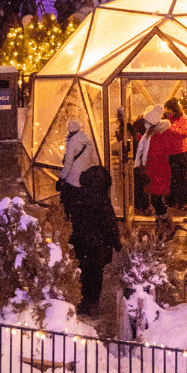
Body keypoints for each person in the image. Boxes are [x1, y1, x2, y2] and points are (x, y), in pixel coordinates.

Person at [71, 163, 121, 317]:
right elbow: (109, 222)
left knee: (84, 273)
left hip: (81, 242)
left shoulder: (79, 195)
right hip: (97, 244)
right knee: (96, 274)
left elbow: (73, 218)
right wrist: (116, 241)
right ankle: (92, 304)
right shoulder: (102, 199)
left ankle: (84, 301)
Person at [140, 106, 179, 239]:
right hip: (156, 170)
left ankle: (166, 223)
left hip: (158, 171)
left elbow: (154, 153)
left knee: (156, 199)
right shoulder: (155, 134)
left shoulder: (158, 135)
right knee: (156, 199)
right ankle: (163, 224)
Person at [57, 119, 99, 224]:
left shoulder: (72, 142)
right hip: (85, 177)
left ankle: (68, 219)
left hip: (73, 178)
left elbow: (68, 163)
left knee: (67, 198)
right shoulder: (87, 139)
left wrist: (61, 177)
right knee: (82, 201)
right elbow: (94, 159)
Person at [164, 98, 187, 209]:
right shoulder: (171, 118)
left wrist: (169, 128)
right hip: (170, 152)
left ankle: (182, 201)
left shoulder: (184, 119)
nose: (168, 114)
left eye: (169, 111)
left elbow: (184, 133)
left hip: (180, 153)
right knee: (171, 178)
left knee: (180, 178)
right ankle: (172, 200)